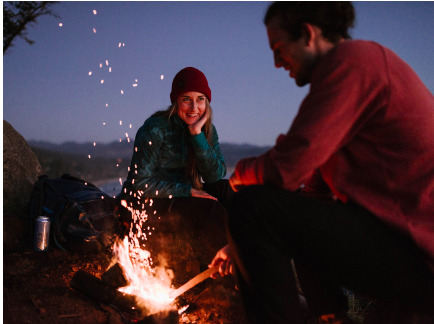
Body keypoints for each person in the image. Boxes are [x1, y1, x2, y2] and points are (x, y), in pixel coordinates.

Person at [210, 2, 434, 324]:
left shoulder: (355, 63)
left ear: (307, 34)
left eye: (278, 48)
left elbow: (284, 170)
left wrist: (237, 178)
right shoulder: (356, 75)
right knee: (293, 208)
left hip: (419, 252)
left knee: (250, 207)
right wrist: (240, 246)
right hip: (405, 247)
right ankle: (333, 316)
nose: (276, 62)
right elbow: (311, 192)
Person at [120, 67, 232, 268]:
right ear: (175, 101)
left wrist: (197, 136)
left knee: (229, 190)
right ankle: (227, 271)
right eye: (186, 99)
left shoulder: (206, 129)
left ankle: (251, 252)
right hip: (149, 204)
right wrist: (187, 190)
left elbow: (215, 175)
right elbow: (139, 184)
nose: (194, 107)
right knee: (210, 209)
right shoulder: (155, 129)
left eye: (200, 99)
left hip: (183, 196)